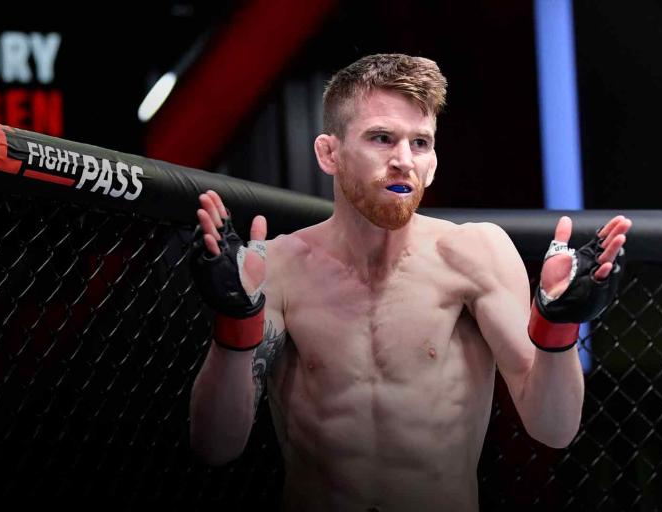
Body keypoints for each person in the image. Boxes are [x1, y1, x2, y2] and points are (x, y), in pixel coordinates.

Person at [188, 54, 631, 511]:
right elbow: (216, 446)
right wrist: (234, 326)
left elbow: (553, 428)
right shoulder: (279, 266)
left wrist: (558, 328)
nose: (404, 161)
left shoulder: (474, 254)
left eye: (420, 143)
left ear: (434, 162)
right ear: (329, 153)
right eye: (382, 138)